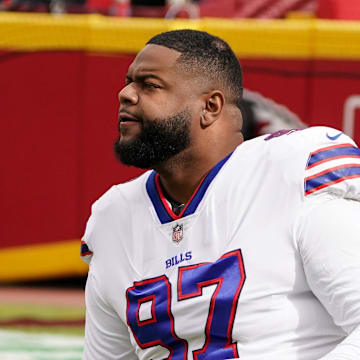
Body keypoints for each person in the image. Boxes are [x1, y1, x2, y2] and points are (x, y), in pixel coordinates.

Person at [81, 29, 360, 359]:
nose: (125, 94)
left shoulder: (291, 174)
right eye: (129, 82)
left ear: (210, 107)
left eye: (150, 85)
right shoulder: (114, 218)